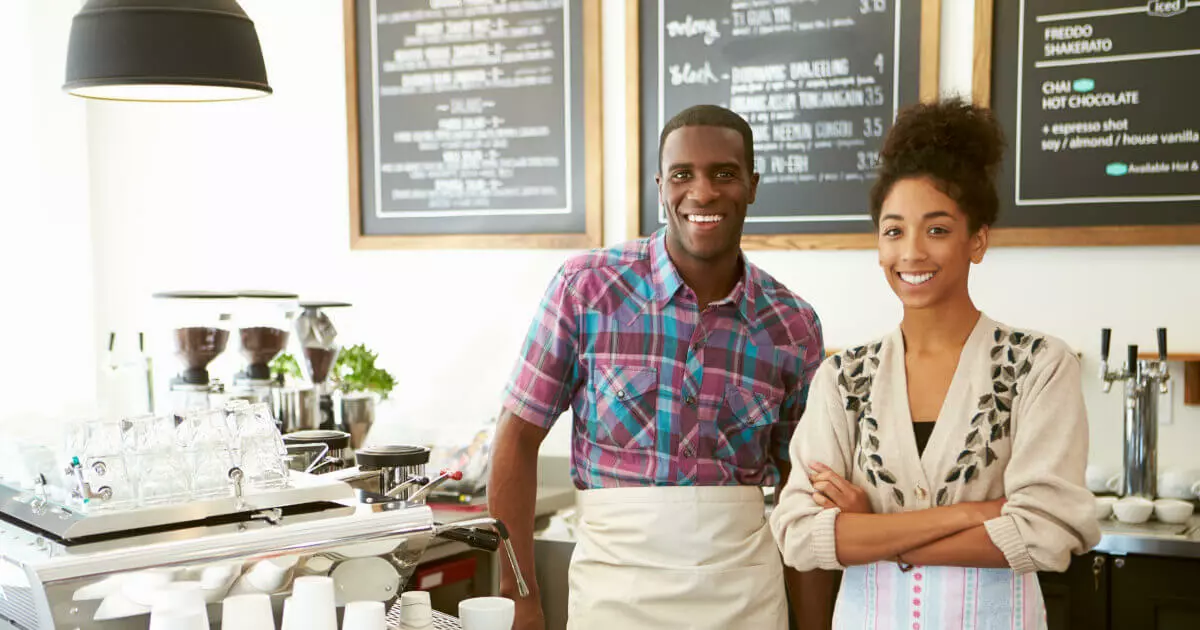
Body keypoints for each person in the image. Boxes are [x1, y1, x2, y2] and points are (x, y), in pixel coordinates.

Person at [489, 104, 825, 630]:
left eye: (725, 174)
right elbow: (515, 438)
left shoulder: (792, 325)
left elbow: (800, 488)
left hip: (744, 598)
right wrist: (520, 598)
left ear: (753, 185)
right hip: (614, 596)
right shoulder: (587, 289)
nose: (704, 192)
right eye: (683, 174)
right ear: (660, 185)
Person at [769, 99, 1101, 628]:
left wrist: (871, 530)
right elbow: (799, 534)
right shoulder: (843, 378)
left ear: (978, 240)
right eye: (894, 230)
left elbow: (1049, 532)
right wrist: (973, 514)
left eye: (938, 229)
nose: (912, 252)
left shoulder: (1039, 366)